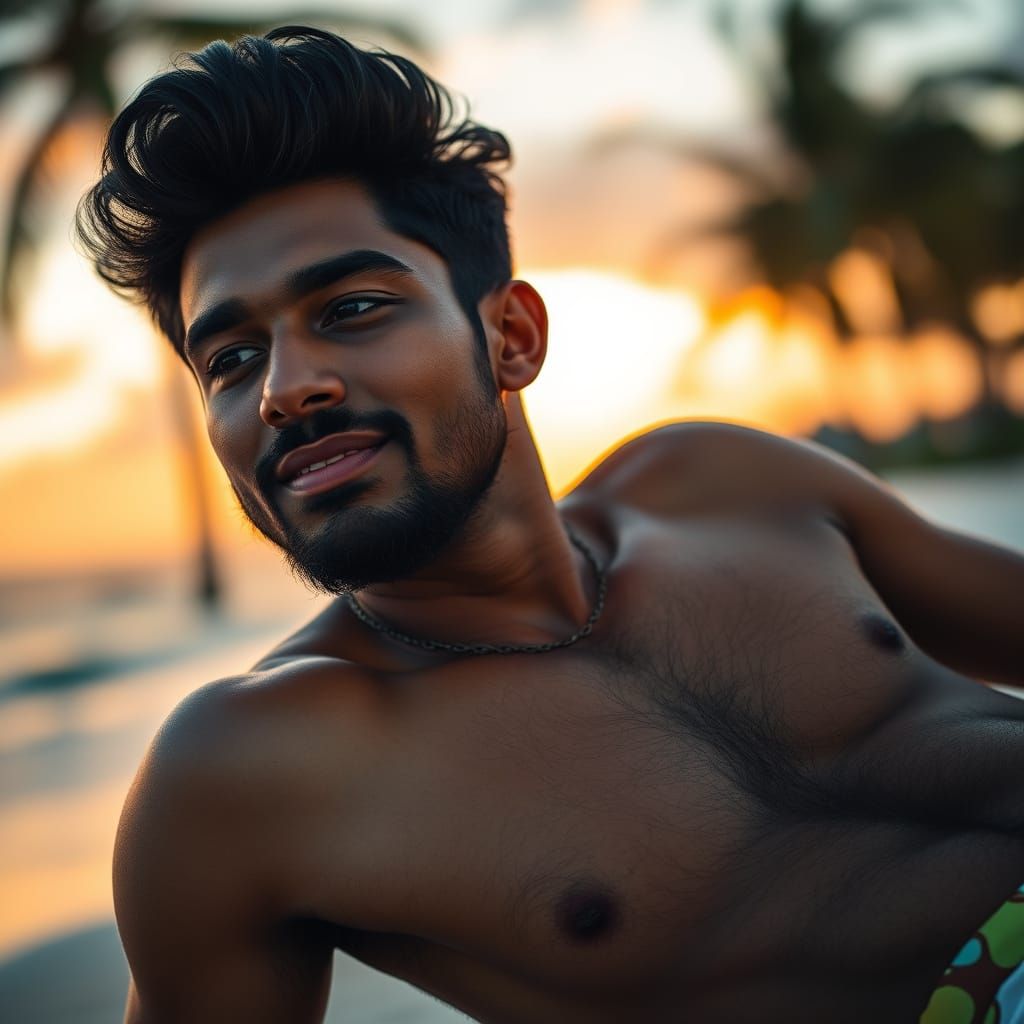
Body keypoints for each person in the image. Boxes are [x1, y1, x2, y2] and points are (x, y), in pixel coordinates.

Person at [76, 25, 1024, 1024]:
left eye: (351, 308)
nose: (285, 388)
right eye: (229, 359)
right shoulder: (250, 771)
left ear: (512, 336)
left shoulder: (727, 486)